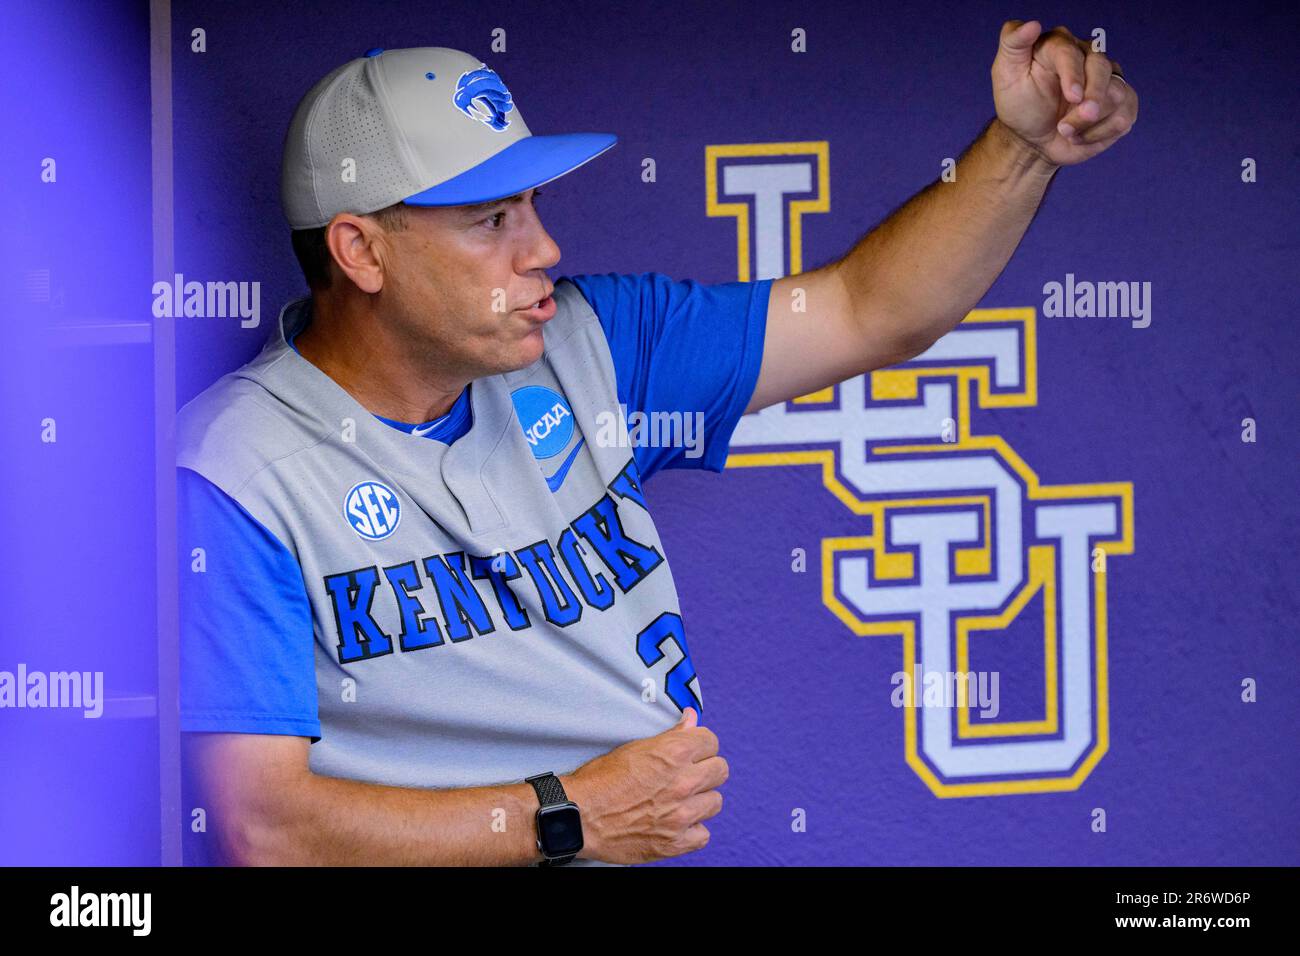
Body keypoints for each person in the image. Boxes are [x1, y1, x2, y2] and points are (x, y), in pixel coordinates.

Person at [177, 25, 1136, 866]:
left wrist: (1021, 148)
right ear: (361, 251)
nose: (543, 249)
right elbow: (268, 831)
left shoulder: (589, 345)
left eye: (535, 207)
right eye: (491, 220)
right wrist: (567, 819)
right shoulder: (238, 467)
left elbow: (868, 310)